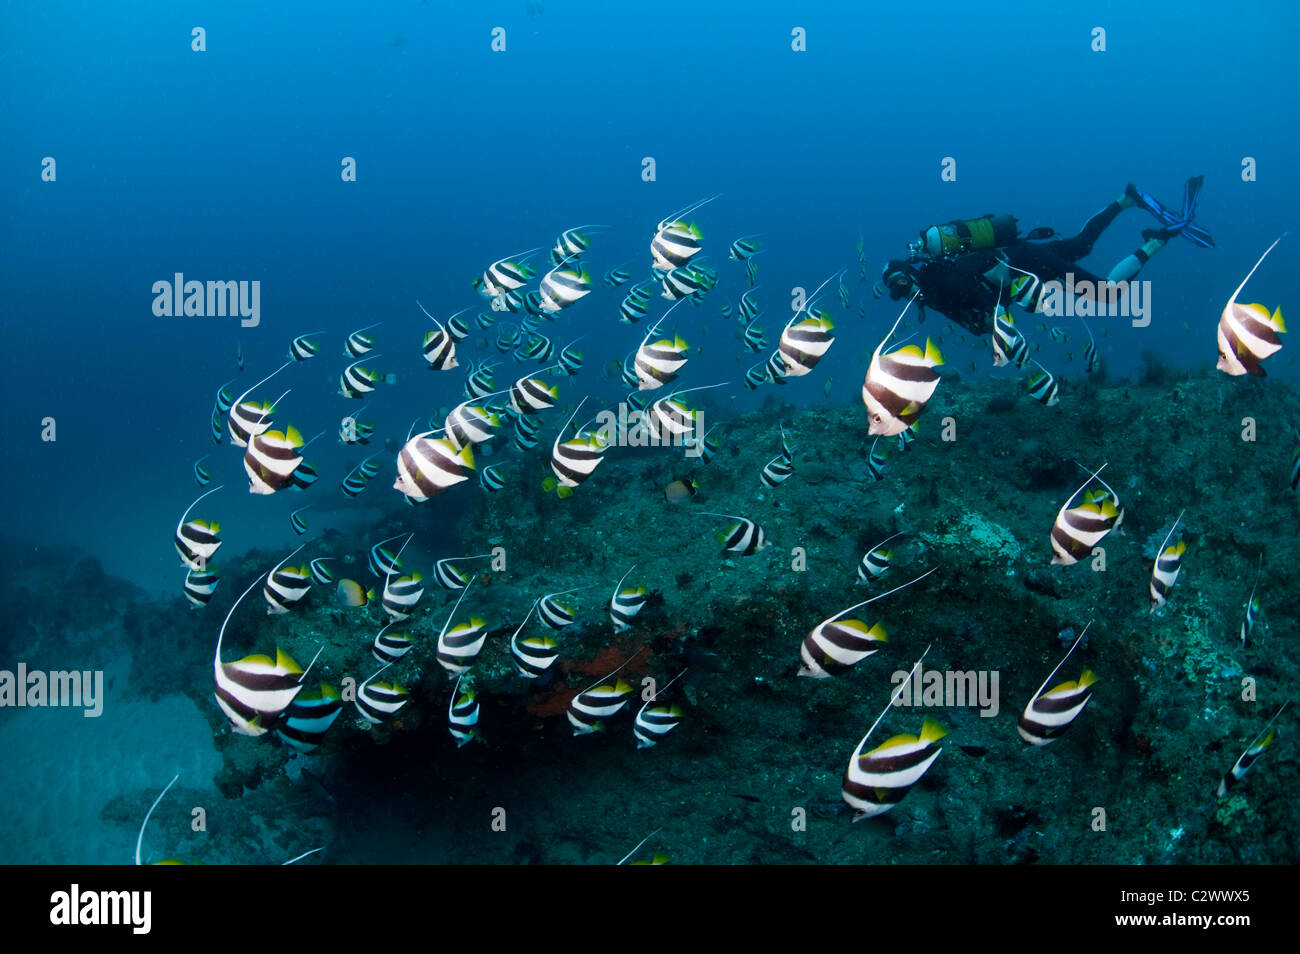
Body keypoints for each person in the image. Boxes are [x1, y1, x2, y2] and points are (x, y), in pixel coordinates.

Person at [874, 178, 1214, 335]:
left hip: (1026, 266)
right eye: (897, 289)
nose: (903, 290)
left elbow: (980, 303)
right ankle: (1125, 200)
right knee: (1082, 243)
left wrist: (996, 317)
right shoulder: (932, 285)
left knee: (1107, 293)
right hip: (1022, 255)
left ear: (910, 271)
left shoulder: (935, 280)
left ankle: (1155, 243)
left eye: (901, 281)